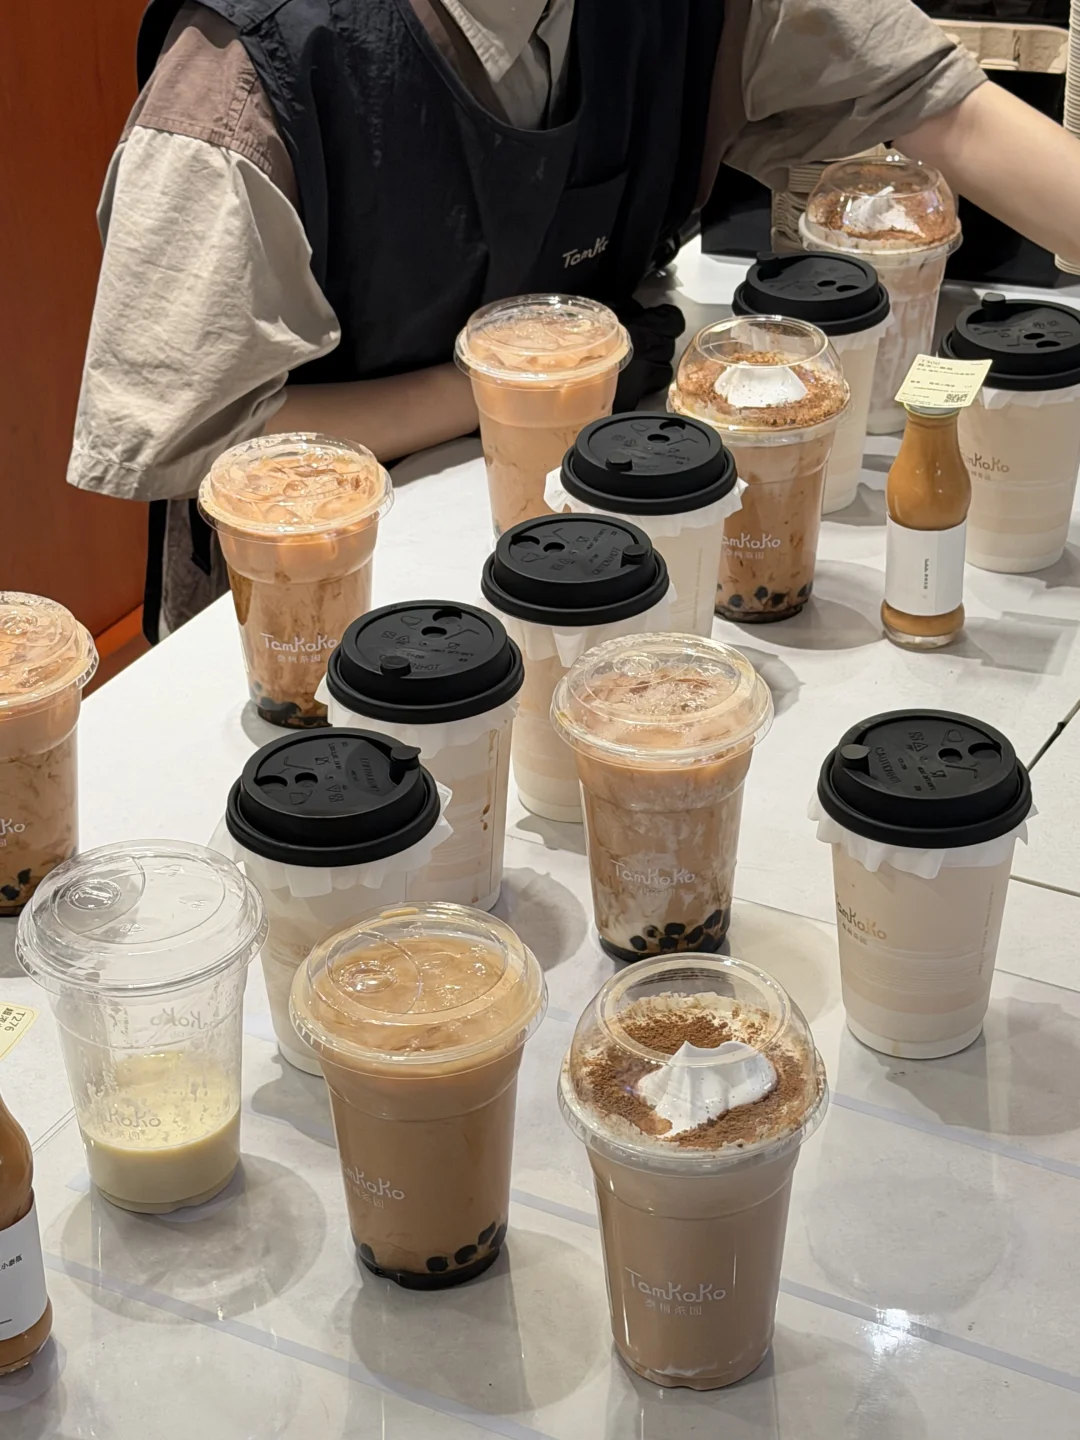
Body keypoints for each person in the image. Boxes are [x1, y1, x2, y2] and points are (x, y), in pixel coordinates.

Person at [67, 0, 1080, 641]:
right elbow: (188, 438)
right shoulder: (246, 75)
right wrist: (522, 378)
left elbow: (952, 110)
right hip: (317, 603)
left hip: (612, 538)